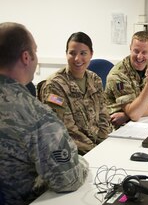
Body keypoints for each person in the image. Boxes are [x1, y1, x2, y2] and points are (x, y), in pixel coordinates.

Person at [0, 22, 88, 205]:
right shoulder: (36, 115)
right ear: (26, 57)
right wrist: (83, 163)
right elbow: (68, 180)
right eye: (35, 51)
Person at [40, 32, 112, 155]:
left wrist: (104, 144)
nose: (77, 59)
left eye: (83, 53)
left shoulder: (95, 80)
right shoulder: (54, 86)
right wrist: (96, 151)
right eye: (72, 53)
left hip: (98, 147)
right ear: (66, 54)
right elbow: (66, 130)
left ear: (91, 54)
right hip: (72, 153)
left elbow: (103, 115)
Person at [105, 31, 148, 127]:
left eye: (144, 52)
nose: (139, 56)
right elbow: (134, 115)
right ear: (130, 48)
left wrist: (126, 115)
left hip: (139, 121)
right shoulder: (117, 75)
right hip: (117, 126)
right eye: (136, 51)